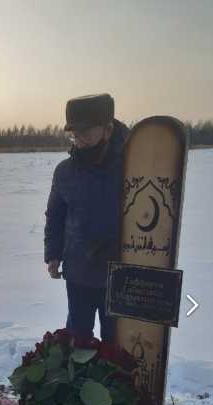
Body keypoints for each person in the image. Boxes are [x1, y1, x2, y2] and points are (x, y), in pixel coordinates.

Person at [44, 93, 129, 343]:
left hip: (119, 275)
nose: (79, 143)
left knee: (116, 343)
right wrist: (53, 254)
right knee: (78, 339)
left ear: (107, 131)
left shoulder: (132, 166)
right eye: (75, 136)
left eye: (86, 135)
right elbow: (55, 216)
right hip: (78, 272)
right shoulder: (64, 172)